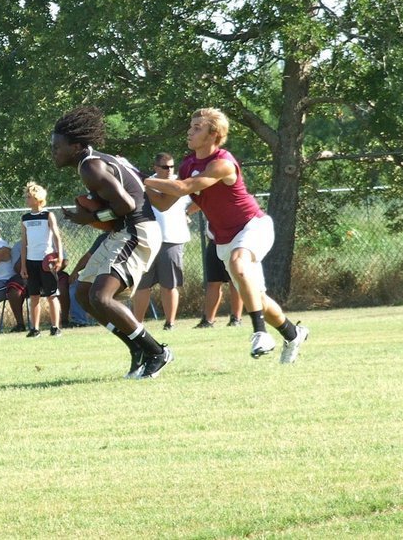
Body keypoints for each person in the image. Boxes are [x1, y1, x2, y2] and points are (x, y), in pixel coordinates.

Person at [145, 107, 309, 363]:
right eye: (191, 126)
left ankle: (260, 332)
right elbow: (166, 203)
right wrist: (136, 183)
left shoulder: (222, 162)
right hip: (224, 238)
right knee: (258, 296)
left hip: (253, 226)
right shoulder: (189, 164)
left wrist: (144, 179)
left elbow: (184, 187)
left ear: (213, 135)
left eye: (197, 127)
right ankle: (292, 332)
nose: (190, 131)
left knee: (238, 263)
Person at [50, 105, 172, 379]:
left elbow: (127, 205)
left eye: (57, 146)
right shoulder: (94, 161)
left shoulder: (91, 167)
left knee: (100, 297)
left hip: (136, 230)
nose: (53, 151)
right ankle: (136, 347)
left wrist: (90, 216)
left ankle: (156, 351)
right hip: (123, 231)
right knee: (83, 293)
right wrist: (95, 215)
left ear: (77, 145)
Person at [132, 152, 194, 330]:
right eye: (165, 167)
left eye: (172, 167)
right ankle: (137, 325)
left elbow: (198, 199)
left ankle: (170, 323)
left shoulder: (179, 184)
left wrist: (188, 213)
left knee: (169, 285)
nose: (169, 170)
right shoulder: (145, 183)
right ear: (155, 168)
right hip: (147, 240)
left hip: (173, 239)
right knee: (142, 285)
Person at [20, 182, 64, 338]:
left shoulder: (47, 215)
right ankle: (35, 328)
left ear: (37, 198)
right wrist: (23, 265)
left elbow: (57, 237)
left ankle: (55, 327)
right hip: (31, 262)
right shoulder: (25, 218)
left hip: (46, 261)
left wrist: (60, 256)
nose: (27, 199)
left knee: (52, 295)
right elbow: (24, 243)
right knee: (34, 296)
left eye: (29, 197)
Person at [194, 226, 243, 328]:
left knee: (234, 281)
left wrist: (187, 212)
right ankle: (208, 320)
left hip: (233, 242)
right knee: (213, 282)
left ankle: (236, 319)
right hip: (214, 242)